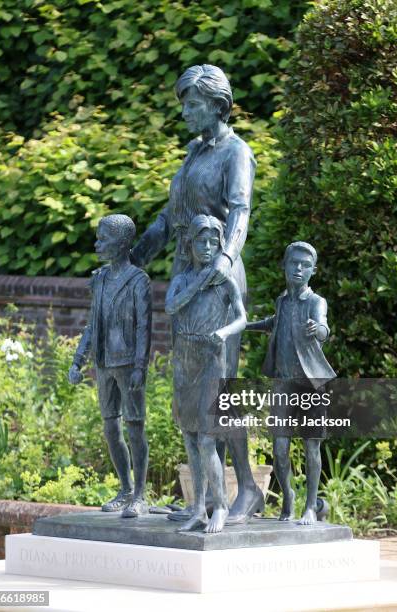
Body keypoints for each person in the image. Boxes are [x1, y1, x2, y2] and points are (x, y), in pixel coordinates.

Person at [131, 64, 263, 524]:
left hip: (218, 274)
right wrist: (134, 256)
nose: (185, 112)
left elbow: (241, 212)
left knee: (219, 390)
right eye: (183, 103)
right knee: (191, 391)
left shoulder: (236, 152)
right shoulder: (192, 155)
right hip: (186, 277)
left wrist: (225, 260)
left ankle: (245, 487)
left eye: (192, 104)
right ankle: (206, 497)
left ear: (218, 106)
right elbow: (169, 220)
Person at [165, 215, 247, 533]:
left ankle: (221, 506)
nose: (209, 247)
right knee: (189, 435)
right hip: (185, 359)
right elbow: (172, 306)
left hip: (213, 359)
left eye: (214, 242)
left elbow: (241, 317)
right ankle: (198, 507)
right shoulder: (183, 280)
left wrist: (225, 332)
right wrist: (200, 280)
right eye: (202, 241)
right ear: (191, 244)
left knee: (208, 438)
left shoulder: (225, 282)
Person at [246, 242, 336, 524]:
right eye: (294, 263)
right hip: (283, 385)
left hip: (311, 385)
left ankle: (311, 506)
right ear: (284, 266)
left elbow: (323, 327)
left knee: (312, 446)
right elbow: (275, 321)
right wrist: (244, 326)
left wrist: (318, 330)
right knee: (279, 449)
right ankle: (289, 498)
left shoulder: (315, 302)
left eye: (305, 265)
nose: (299, 269)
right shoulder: (282, 301)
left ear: (313, 270)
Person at [68, 214, 151, 519]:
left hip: (129, 365)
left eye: (103, 239)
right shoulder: (100, 278)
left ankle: (140, 496)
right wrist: (79, 359)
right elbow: (93, 323)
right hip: (104, 363)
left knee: (135, 428)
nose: (97, 244)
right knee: (110, 428)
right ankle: (125, 489)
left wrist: (141, 367)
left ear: (123, 243)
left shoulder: (138, 281)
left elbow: (145, 327)